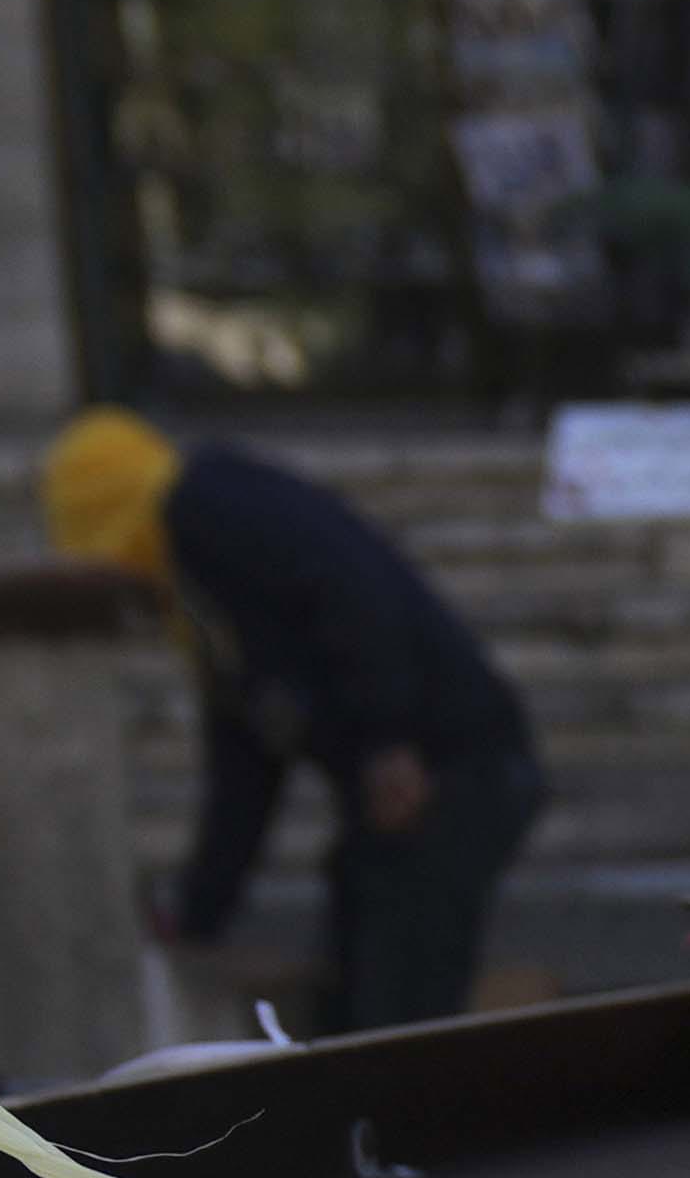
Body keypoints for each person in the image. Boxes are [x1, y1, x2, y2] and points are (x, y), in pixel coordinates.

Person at [48, 410, 549, 1038]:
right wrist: (202, 913)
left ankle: (417, 1120)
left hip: (456, 763)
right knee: (355, 986)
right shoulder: (199, 597)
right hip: (405, 786)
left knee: (404, 993)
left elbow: (352, 588)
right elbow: (246, 766)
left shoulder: (205, 501)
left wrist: (389, 742)